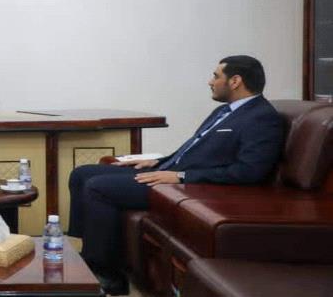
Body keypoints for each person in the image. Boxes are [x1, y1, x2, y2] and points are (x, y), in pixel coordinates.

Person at [67, 55, 284, 296]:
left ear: (235, 81)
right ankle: (87, 253)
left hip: (193, 185)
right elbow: (193, 148)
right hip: (172, 172)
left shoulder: (262, 117)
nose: (210, 81)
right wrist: (159, 161)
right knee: (81, 174)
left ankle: (107, 274)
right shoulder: (224, 111)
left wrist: (181, 176)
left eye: (215, 76)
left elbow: (249, 171)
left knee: (98, 187)